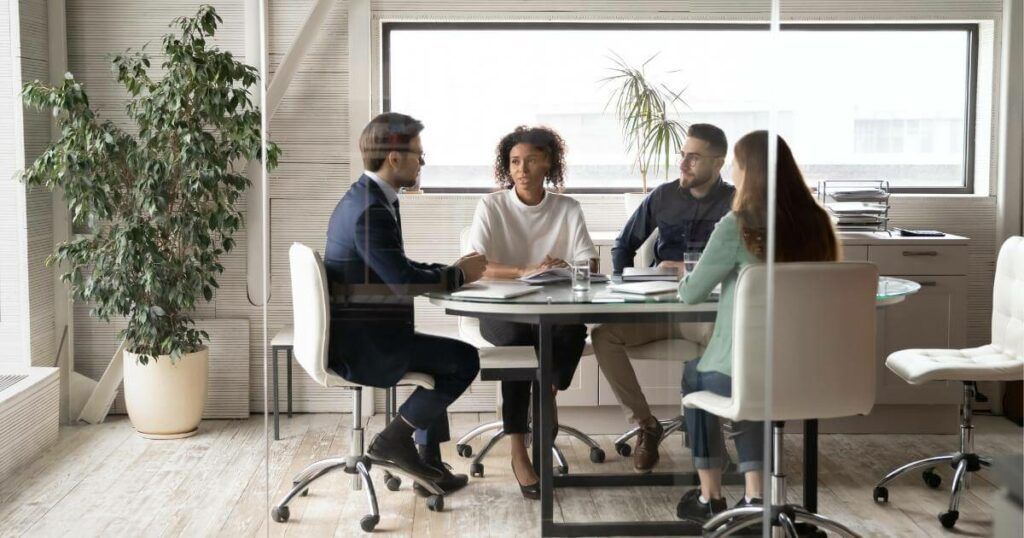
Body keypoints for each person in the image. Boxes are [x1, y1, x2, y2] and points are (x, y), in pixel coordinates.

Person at [674, 130, 840, 522]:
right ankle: (754, 497)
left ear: (748, 171)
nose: (732, 169)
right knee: (753, 380)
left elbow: (692, 294)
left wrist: (686, 274)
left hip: (749, 372)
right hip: (808, 370)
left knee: (699, 375)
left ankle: (710, 495)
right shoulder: (818, 222)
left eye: (736, 162)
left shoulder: (737, 225)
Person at [324, 112, 488, 494]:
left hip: (368, 334)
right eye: (418, 153)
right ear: (394, 157)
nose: (423, 162)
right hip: (366, 347)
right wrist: (459, 277)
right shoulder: (370, 212)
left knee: (442, 355)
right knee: (463, 360)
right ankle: (394, 441)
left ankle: (426, 463)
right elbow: (401, 282)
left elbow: (398, 267)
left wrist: (451, 270)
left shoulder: (370, 199)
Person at [591, 123, 735, 473]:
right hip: (658, 305)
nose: (683, 164)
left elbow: (749, 258)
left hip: (703, 313)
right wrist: (623, 285)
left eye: (694, 158)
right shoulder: (663, 196)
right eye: (682, 155)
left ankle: (707, 436)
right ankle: (645, 425)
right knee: (603, 335)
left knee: (722, 342)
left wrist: (696, 269)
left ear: (718, 163)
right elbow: (624, 245)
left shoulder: (736, 202)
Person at [467, 125, 597, 500]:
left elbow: (589, 260)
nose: (521, 169)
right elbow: (476, 265)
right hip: (501, 311)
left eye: (531, 161)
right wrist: (524, 271)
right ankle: (518, 451)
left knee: (572, 329)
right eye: (514, 162)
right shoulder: (491, 206)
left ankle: (549, 392)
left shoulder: (567, 208)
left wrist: (565, 267)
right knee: (519, 347)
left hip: (552, 309)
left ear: (548, 164)